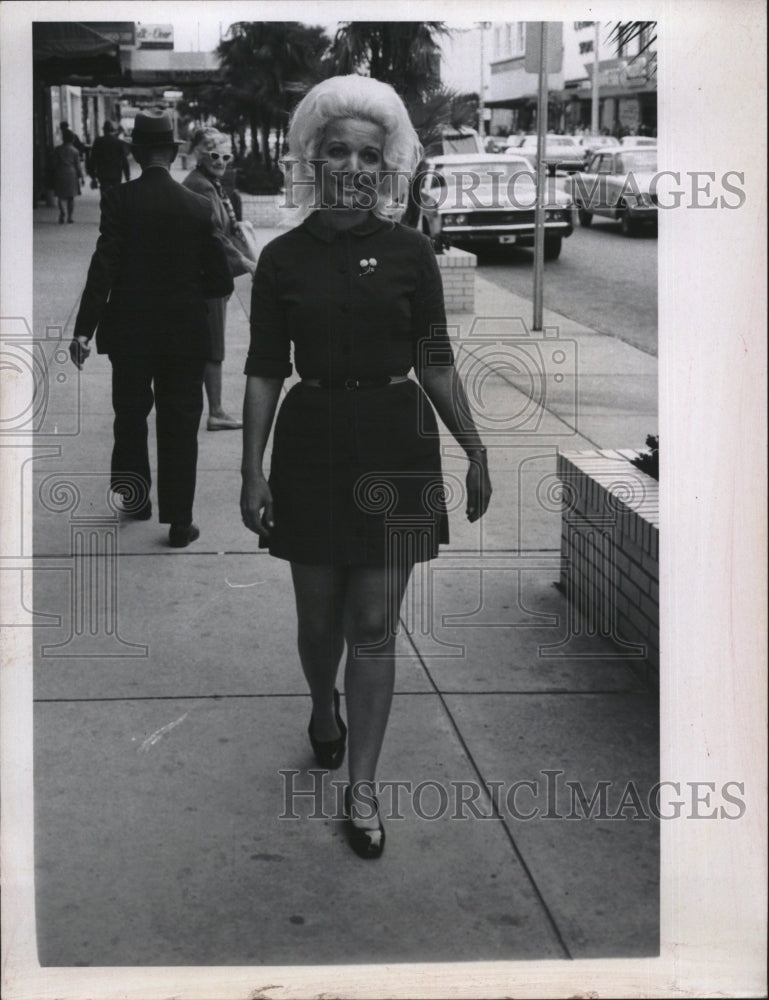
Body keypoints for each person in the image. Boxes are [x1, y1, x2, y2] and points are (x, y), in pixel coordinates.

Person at [240, 76, 492, 859]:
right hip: (310, 441)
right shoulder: (280, 259)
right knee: (320, 623)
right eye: (337, 149)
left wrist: (475, 449)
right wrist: (250, 471)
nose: (351, 164)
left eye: (368, 154)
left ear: (387, 166)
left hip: (397, 443)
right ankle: (323, 706)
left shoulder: (412, 252)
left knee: (374, 627)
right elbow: (260, 372)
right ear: (313, 157)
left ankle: (363, 787)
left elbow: (436, 364)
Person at [69, 109, 233, 547]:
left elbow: (103, 267)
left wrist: (83, 330)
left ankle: (135, 499)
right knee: (180, 422)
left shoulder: (119, 200)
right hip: (184, 335)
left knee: (130, 415)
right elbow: (218, 279)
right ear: (173, 151)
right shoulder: (198, 207)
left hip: (130, 334)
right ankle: (180, 521)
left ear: (138, 154)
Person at [183, 128, 258, 430]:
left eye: (226, 156)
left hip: (209, 274)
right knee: (212, 346)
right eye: (215, 155)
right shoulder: (201, 187)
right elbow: (212, 233)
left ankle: (211, 408)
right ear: (201, 155)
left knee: (208, 344)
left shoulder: (209, 183)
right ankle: (215, 412)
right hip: (208, 276)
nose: (222, 161)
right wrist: (244, 261)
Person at [89, 120, 130, 196]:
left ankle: (106, 206)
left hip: (102, 173)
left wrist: (92, 176)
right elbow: (124, 160)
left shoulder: (98, 142)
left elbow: (92, 159)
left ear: (104, 130)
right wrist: (127, 176)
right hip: (116, 174)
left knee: (105, 194)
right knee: (116, 194)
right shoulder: (119, 142)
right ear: (113, 131)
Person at [52, 129, 83, 224]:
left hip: (60, 173)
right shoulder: (75, 151)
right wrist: (81, 177)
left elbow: (54, 163)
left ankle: (62, 213)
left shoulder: (57, 149)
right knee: (71, 197)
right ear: (72, 139)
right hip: (71, 174)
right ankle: (70, 217)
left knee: (60, 196)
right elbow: (78, 165)